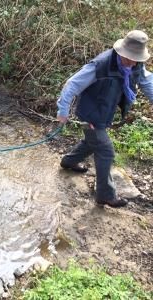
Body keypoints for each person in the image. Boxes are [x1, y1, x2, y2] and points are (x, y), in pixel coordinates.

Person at [57, 30, 153, 208]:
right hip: (89, 114)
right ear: (121, 51)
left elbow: (147, 83)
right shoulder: (99, 65)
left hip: (104, 112)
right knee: (105, 150)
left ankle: (68, 161)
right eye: (129, 57)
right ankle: (105, 195)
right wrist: (63, 111)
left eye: (136, 58)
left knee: (91, 142)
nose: (132, 62)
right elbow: (71, 85)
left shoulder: (136, 66)